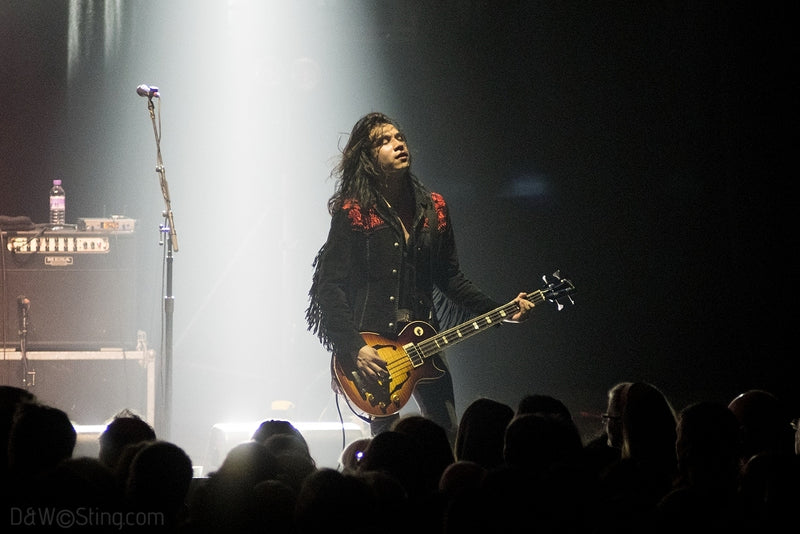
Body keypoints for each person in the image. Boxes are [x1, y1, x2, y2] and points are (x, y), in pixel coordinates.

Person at [305, 111, 534, 443]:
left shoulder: (434, 207)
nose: (398, 144)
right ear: (367, 157)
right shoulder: (354, 211)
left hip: (424, 336)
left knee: (446, 430)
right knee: (386, 441)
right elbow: (329, 286)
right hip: (374, 347)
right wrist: (354, 347)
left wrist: (501, 310)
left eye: (400, 138)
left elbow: (450, 277)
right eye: (384, 141)